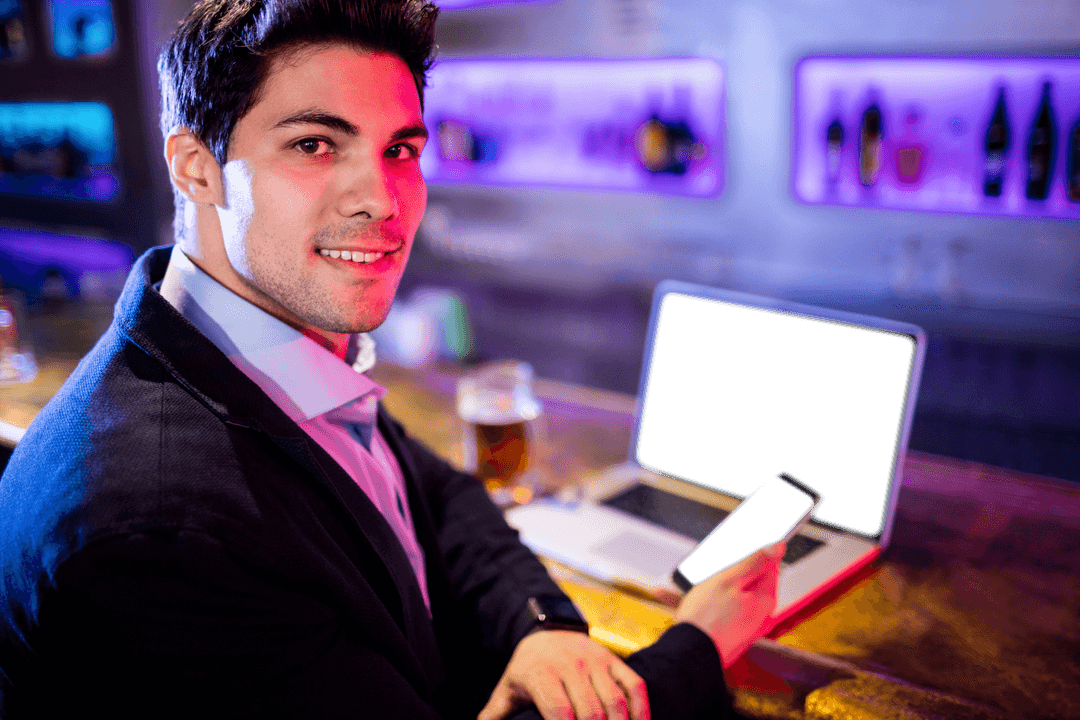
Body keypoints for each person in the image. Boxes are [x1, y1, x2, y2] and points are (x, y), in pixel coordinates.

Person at [0, 1, 784, 718]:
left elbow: (431, 494)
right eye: (314, 143)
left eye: (401, 148)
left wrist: (537, 624)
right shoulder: (162, 530)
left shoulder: (251, 352)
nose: (381, 197)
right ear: (195, 166)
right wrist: (699, 650)